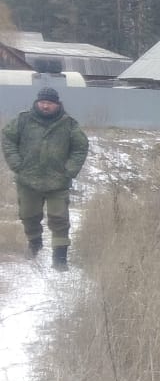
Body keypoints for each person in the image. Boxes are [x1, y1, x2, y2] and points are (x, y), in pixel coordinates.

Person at [2, 87, 90, 270]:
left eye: (49, 103)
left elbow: (80, 148)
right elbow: (8, 138)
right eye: (42, 102)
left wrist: (69, 170)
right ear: (37, 102)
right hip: (28, 179)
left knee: (59, 218)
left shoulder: (69, 124)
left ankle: (60, 258)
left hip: (58, 181)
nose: (45, 106)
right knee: (28, 215)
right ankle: (34, 244)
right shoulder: (23, 120)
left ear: (57, 104)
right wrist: (17, 164)